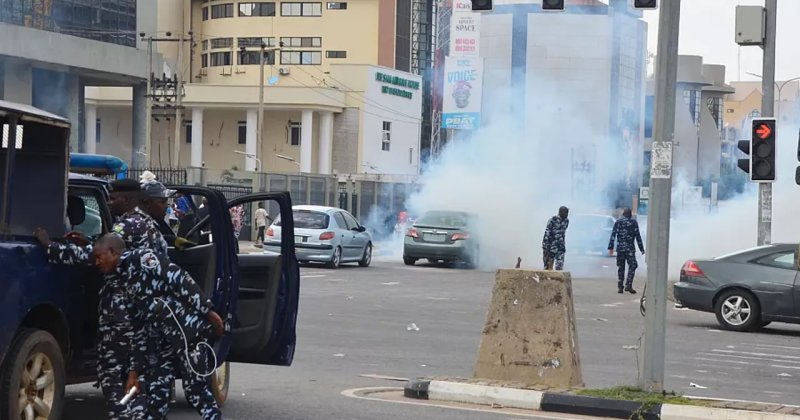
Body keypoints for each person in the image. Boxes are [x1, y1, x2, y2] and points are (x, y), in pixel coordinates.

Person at [33, 178, 167, 420]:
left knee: (112, 376)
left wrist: (50, 246)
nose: (109, 202)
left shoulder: (126, 225)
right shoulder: (149, 226)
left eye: (113, 198)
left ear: (126, 200)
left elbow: (90, 257)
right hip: (145, 314)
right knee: (135, 377)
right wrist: (93, 243)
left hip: (122, 317)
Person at [89, 234, 225, 420]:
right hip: (160, 340)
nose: (97, 262)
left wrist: (208, 311)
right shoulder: (121, 280)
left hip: (187, 333)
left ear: (112, 252)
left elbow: (180, 279)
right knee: (155, 392)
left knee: (196, 390)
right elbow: (138, 326)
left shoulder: (143, 259)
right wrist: (133, 371)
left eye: (99, 256)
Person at [608, 208, 645, 294]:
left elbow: (613, 234)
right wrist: (642, 249)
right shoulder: (633, 223)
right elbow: (638, 236)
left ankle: (620, 286)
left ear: (623, 214)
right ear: (630, 214)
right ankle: (628, 284)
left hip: (620, 248)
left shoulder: (618, 222)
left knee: (621, 267)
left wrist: (610, 246)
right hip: (630, 249)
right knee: (633, 265)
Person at [542, 206, 570, 270]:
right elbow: (547, 232)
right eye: (566, 213)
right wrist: (545, 245)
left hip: (560, 246)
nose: (567, 214)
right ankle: (547, 279)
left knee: (560, 265)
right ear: (560, 212)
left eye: (567, 213)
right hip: (550, 245)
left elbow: (563, 233)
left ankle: (557, 279)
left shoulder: (566, 221)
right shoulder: (553, 220)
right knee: (547, 266)